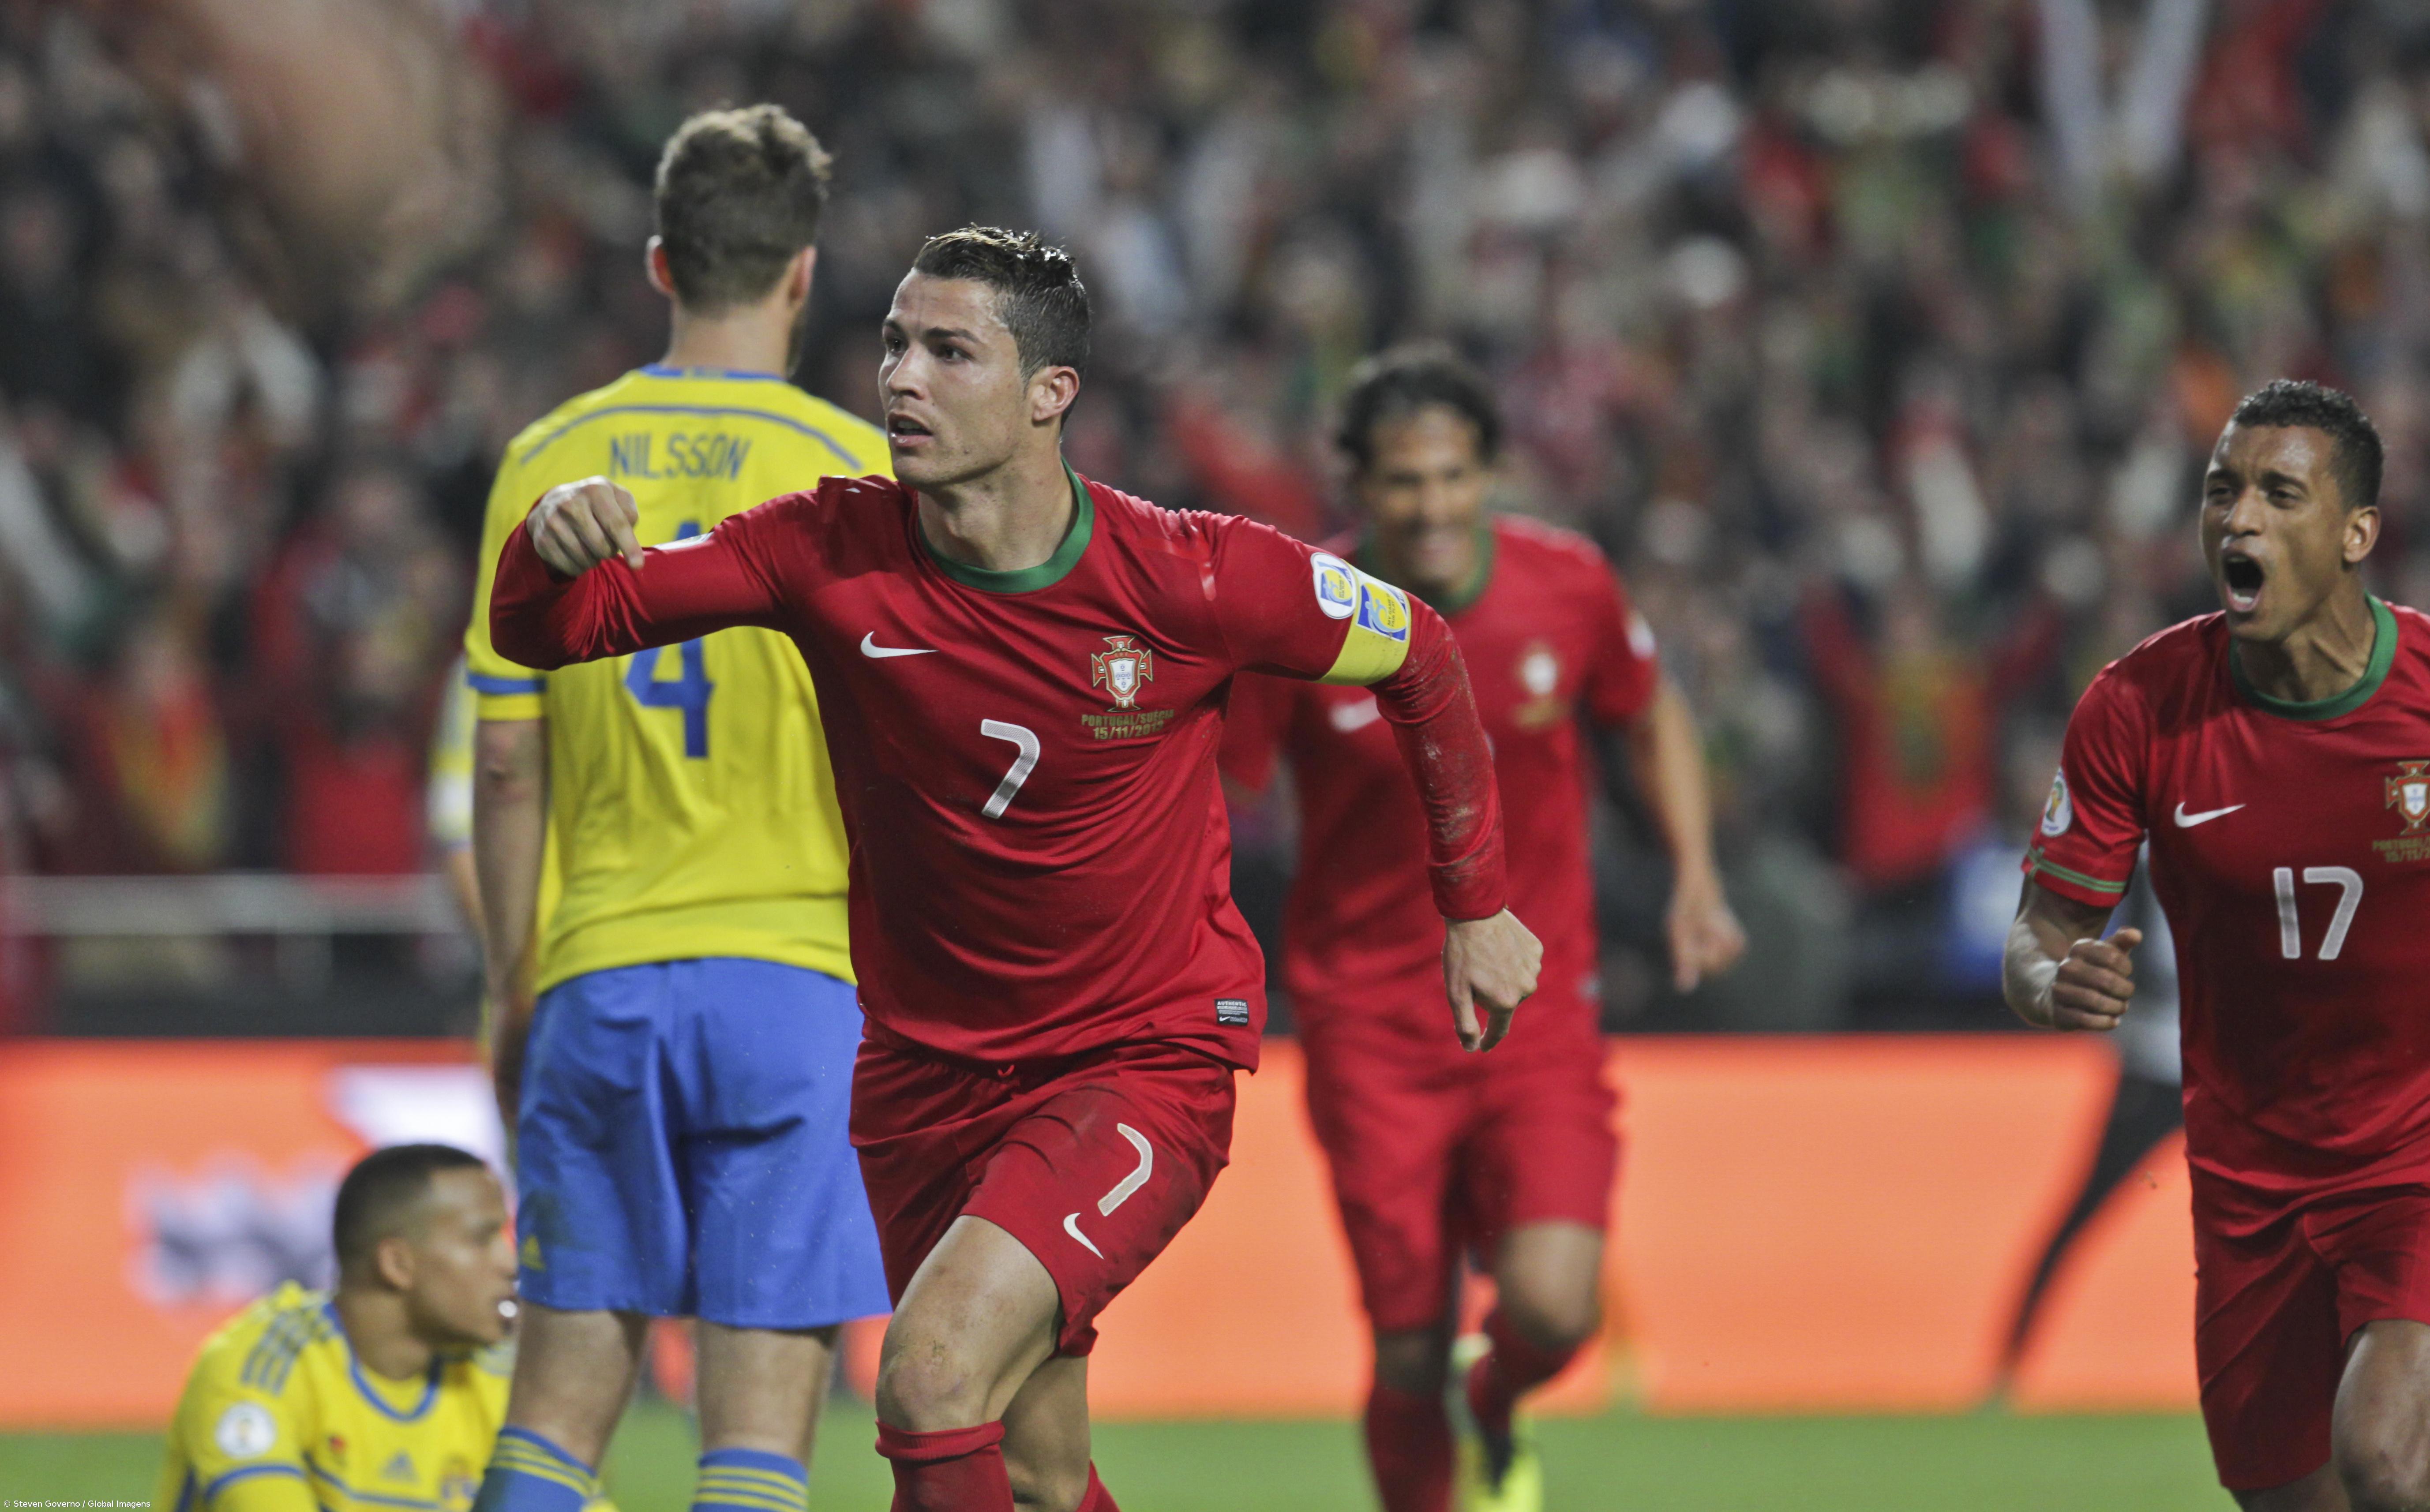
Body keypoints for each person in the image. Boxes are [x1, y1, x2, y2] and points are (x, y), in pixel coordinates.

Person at [485, 225, 1541, 1512]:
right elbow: (557, 629)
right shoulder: (822, 548)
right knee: (1037, 1471)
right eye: (892, 344)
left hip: (1137, 1058)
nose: (901, 379)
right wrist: (543, 548)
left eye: (949, 351)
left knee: (928, 1376)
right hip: (922, 1074)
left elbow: (1420, 649)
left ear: (1051, 393)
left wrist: (1475, 902)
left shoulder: (1192, 575)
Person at [1219, 345, 1743, 1512]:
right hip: (1369, 1028)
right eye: (1404, 481)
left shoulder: (1569, 586)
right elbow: (1220, 791)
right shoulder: (1304, 621)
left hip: (1537, 1012)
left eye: (1454, 475)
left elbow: (1649, 712)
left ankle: (1497, 1397)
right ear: (1358, 485)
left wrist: (1695, 875)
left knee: (1555, 1307)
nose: (1433, 504)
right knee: (1402, 1350)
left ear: (1493, 471)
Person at [460, 106, 892, 1512]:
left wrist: (513, 980)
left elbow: (509, 759)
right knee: (757, 1442)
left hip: (600, 969)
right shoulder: (863, 474)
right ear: (803, 275)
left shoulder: (547, 459)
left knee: (553, 1419)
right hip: (797, 984)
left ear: (659, 264)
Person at [2005, 379, 2430, 1512]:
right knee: (2286, 1492)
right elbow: (2040, 931)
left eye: (2276, 494)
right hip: (2247, 1178)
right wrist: (2052, 983)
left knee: (2385, 1455)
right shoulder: (2136, 707)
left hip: (2411, 1149)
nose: (2236, 518)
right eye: (2220, 490)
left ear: (2353, 535)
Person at [152, 1145, 521, 1512]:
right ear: (397, 1264)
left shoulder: (498, 1382)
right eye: (482, 1239)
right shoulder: (262, 1368)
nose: (510, 1263)